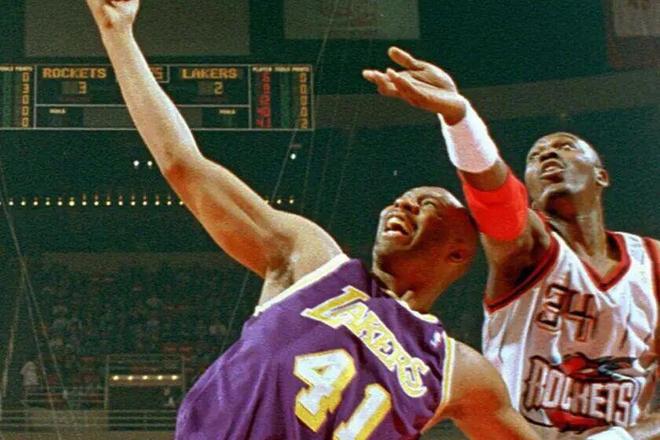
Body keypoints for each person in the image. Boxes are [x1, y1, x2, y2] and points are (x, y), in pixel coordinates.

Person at [85, 1, 540, 439]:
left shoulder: (459, 372)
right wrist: (118, 34)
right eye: (400, 199)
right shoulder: (315, 260)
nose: (401, 205)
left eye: (425, 205)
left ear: (458, 252)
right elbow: (185, 166)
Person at [363, 47, 659, 439]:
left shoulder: (653, 263)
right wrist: (459, 119)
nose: (548, 154)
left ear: (601, 175)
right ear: (530, 192)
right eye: (535, 157)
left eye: (565, 146)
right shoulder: (529, 250)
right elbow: (497, 199)